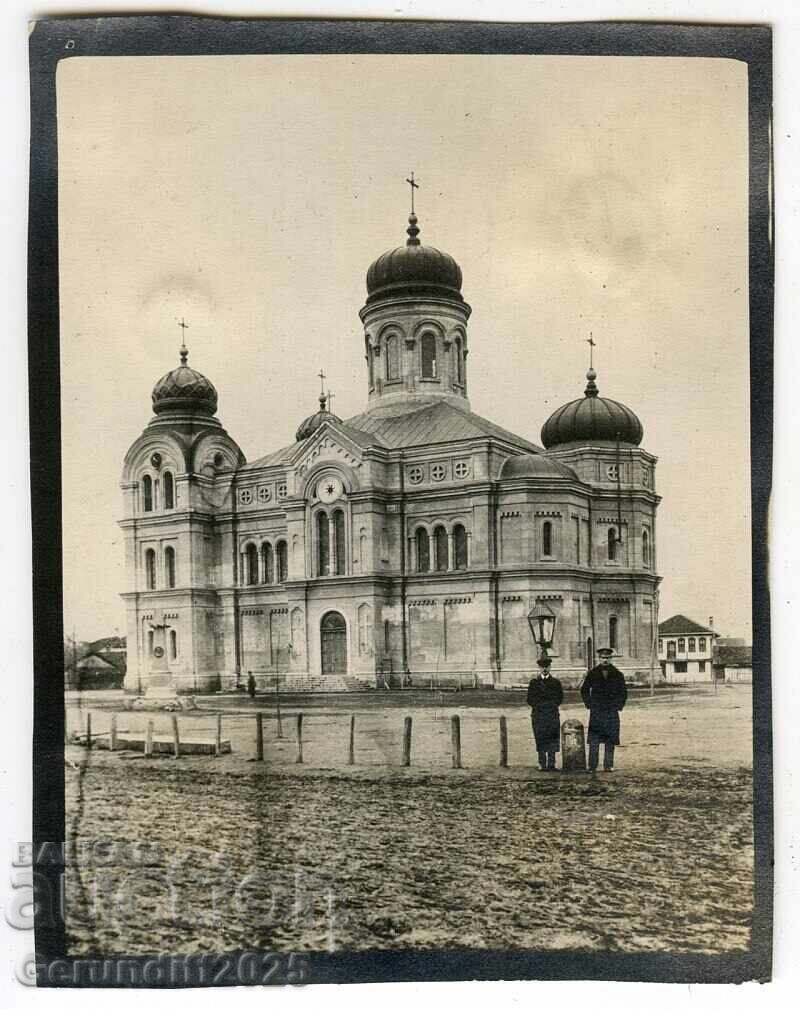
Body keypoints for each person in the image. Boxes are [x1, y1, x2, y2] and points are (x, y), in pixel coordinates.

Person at [581, 647, 627, 771]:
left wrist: (619, 705)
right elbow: (584, 690)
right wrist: (589, 704)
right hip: (597, 712)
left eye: (607, 658)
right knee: (594, 740)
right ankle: (592, 765)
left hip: (611, 711)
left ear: (611, 658)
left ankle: (608, 765)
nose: (605, 660)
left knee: (610, 739)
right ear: (599, 658)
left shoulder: (617, 674)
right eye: (602, 658)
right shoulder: (592, 673)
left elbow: (623, 692)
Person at [526, 656, 564, 771]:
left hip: (552, 714)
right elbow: (529, 699)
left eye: (547, 666)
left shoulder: (556, 683)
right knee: (540, 737)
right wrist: (540, 706)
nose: (544, 669)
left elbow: (560, 698)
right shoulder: (534, 683)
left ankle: (552, 763)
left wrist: (551, 706)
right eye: (542, 667)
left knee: (553, 737)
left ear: (550, 667)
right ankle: (542, 763)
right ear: (539, 668)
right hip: (539, 715)